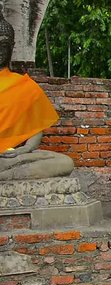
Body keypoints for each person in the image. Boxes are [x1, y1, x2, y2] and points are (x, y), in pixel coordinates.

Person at [0, 11, 74, 181]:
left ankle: (9, 176)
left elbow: (36, 134)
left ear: (12, 46)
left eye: (3, 46)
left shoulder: (25, 86)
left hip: (11, 157)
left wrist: (22, 150)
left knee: (65, 162)